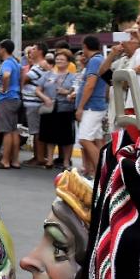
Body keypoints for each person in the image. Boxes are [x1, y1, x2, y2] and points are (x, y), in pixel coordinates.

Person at [74, 35, 108, 179]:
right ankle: (97, 171)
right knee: (97, 139)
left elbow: (90, 84)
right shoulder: (101, 60)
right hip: (98, 105)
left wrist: (80, 107)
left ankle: (102, 172)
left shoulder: (95, 61)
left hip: (91, 107)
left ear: (85, 46)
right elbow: (107, 84)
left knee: (84, 139)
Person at [38, 50, 78, 169]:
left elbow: (76, 91)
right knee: (49, 135)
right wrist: (45, 98)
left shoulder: (73, 77)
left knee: (67, 137)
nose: (59, 61)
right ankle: (49, 160)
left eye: (62, 59)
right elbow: (38, 89)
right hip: (49, 108)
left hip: (65, 109)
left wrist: (66, 92)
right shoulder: (48, 75)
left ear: (68, 62)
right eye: (58, 59)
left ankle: (66, 162)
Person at [0, 39, 22, 169]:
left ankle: (5, 160)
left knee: (7, 131)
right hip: (15, 98)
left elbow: (6, 76)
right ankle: (14, 160)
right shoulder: (16, 62)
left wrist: (4, 89)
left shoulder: (7, 63)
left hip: (7, 99)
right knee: (13, 130)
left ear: (3, 49)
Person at [21, 43, 49, 166]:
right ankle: (37, 156)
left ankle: (39, 158)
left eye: (34, 49)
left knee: (36, 131)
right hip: (32, 102)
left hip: (34, 103)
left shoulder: (40, 65)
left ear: (40, 51)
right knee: (35, 131)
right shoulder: (38, 65)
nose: (31, 51)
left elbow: (25, 79)